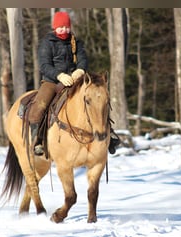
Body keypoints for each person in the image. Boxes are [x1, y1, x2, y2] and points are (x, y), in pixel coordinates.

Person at [28, 11, 120, 156]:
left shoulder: (75, 41)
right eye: (60, 27)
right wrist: (59, 75)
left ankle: (110, 133)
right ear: (54, 27)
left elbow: (83, 58)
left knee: (97, 98)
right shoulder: (47, 42)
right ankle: (37, 140)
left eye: (66, 27)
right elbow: (44, 65)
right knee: (40, 105)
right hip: (52, 81)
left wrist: (80, 70)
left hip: (75, 79)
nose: (64, 30)